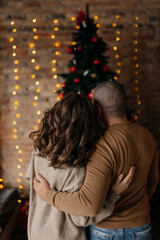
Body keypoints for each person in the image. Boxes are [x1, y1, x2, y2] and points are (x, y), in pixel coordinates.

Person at [34, 81, 159, 240]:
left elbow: (89, 205)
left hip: (107, 231)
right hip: (142, 226)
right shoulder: (146, 135)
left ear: (97, 109)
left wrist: (47, 195)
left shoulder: (100, 144)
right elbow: (153, 181)